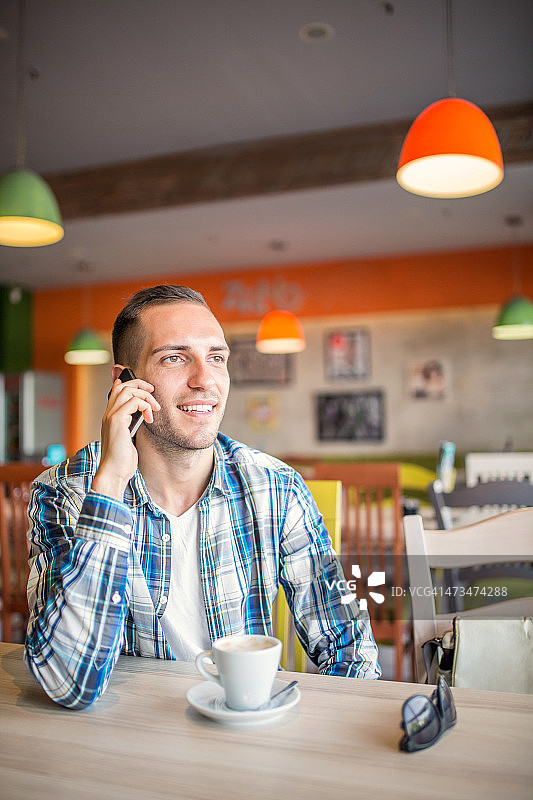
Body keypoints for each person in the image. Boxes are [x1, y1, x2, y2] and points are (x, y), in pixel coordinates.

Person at [24, 285, 380, 708]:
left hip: (247, 725)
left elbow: (350, 648)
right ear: (125, 382)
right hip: (129, 735)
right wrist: (110, 485)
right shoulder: (67, 493)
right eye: (175, 358)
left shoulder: (276, 487)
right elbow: (67, 682)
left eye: (216, 358)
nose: (205, 379)